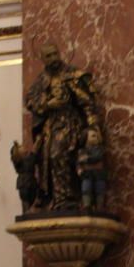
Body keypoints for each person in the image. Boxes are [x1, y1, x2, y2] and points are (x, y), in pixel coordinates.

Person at [24, 42, 100, 210]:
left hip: (69, 123)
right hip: (50, 126)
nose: (53, 59)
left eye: (55, 54)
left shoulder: (72, 75)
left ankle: (67, 198)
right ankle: (51, 197)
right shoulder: (41, 81)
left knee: (58, 155)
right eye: (49, 56)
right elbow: (31, 101)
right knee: (45, 160)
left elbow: (87, 103)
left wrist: (93, 127)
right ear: (42, 59)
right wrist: (47, 104)